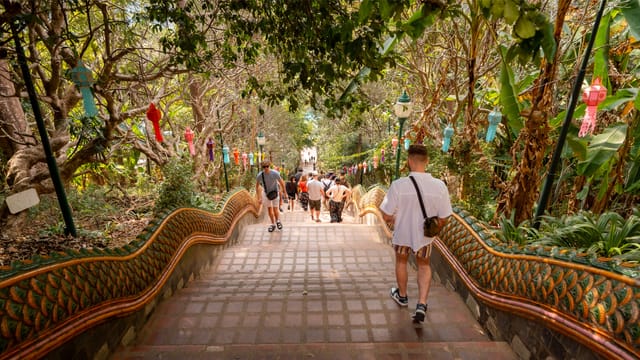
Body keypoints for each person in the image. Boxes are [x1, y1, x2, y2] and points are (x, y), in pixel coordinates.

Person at [379, 144, 452, 323]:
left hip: (402, 234)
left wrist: (396, 218)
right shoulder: (439, 186)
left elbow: (386, 215)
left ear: (409, 161)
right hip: (425, 237)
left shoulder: (398, 185)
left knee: (401, 262)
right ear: (427, 161)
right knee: (424, 265)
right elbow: (444, 217)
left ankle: (402, 296)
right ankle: (421, 304)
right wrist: (432, 227)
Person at [256, 160, 286, 232]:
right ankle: (273, 224)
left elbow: (281, 182)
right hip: (266, 194)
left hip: (275, 192)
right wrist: (259, 198)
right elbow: (257, 186)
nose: (266, 168)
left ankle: (278, 221)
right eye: (264, 167)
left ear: (269, 166)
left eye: (267, 166)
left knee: (276, 209)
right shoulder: (260, 175)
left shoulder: (275, 173)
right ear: (262, 167)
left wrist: (284, 192)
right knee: (269, 209)